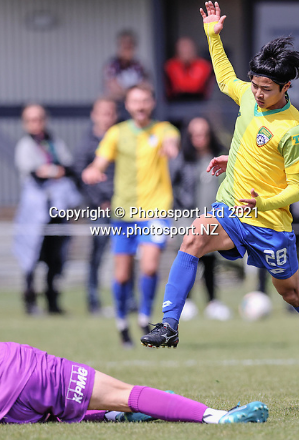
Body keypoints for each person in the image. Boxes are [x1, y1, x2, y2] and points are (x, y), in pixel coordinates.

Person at [0, 237, 269, 425]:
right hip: (25, 368)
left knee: (66, 413)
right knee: (124, 393)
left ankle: (117, 414)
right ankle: (216, 418)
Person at [141, 1, 299, 381]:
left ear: (286, 87)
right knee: (193, 238)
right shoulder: (248, 94)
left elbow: (296, 188)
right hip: (232, 208)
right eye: (256, 85)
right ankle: (169, 324)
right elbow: (225, 78)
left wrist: (262, 200)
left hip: (268, 222)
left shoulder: (293, 131)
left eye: (267, 89)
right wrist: (213, 37)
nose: (258, 94)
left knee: (292, 292)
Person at [82, 84, 180, 348]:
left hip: (156, 211)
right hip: (123, 213)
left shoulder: (163, 129)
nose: (140, 105)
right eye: (135, 101)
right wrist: (93, 170)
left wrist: (171, 149)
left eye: (144, 100)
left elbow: (172, 142)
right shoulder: (117, 133)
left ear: (152, 102)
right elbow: (100, 162)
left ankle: (145, 316)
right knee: (123, 275)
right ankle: (122, 323)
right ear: (127, 105)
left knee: (149, 266)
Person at [13, 104, 80, 315]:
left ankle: (52, 300)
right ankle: (30, 300)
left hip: (56, 209)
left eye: (39, 118)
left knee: (56, 256)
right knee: (31, 255)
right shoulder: (25, 146)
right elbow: (35, 173)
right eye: (31, 120)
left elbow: (68, 168)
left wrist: (52, 171)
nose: (36, 123)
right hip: (35, 211)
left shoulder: (54, 143)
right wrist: (54, 171)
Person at [171, 117, 230, 321]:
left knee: (211, 260)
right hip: (188, 218)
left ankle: (213, 302)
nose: (200, 138)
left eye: (203, 133)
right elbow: (173, 187)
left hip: (214, 217)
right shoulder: (182, 159)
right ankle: (186, 302)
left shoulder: (220, 157)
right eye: (195, 134)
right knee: (189, 259)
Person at [74, 98, 119, 315]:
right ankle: (93, 301)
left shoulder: (121, 140)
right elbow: (81, 176)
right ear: (94, 115)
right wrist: (99, 201)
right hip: (98, 209)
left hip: (124, 206)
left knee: (126, 254)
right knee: (97, 255)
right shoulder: (87, 144)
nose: (107, 117)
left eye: (110, 112)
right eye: (103, 113)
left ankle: (127, 302)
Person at [103, 30, 149, 102]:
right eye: (125, 45)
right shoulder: (112, 66)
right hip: (117, 105)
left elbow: (146, 86)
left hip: (137, 104)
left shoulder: (139, 65)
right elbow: (113, 89)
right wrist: (135, 89)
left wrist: (126, 91)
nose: (127, 48)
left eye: (130, 45)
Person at [164, 37, 213, 101]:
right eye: (183, 49)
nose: (186, 51)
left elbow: (195, 86)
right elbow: (179, 86)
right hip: (175, 103)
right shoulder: (170, 66)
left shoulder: (204, 65)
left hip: (200, 101)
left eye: (188, 49)